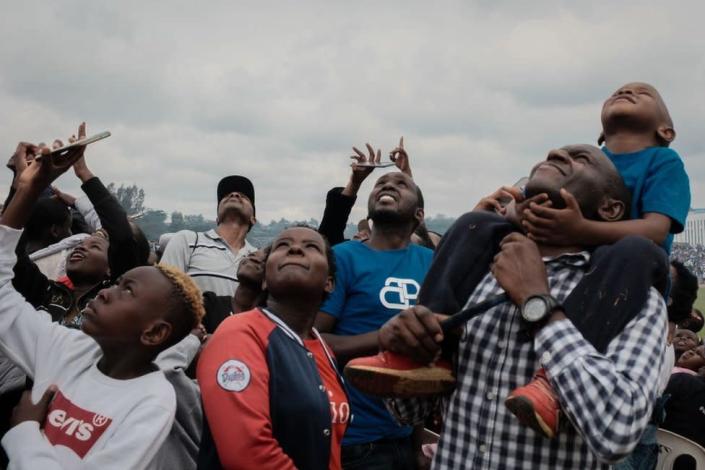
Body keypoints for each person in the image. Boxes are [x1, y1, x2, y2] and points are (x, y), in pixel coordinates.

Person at [370, 145, 668, 468]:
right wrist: (410, 346)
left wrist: (538, 304)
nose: (555, 153)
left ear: (610, 209)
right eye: (553, 153)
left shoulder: (628, 297)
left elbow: (616, 432)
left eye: (581, 159)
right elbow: (407, 413)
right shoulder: (474, 270)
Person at [0, 140, 205, 469]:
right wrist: (27, 188)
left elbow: (122, 236)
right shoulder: (65, 346)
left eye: (127, 290)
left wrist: (24, 431)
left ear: (153, 333)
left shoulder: (151, 403)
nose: (108, 293)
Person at [197, 226, 349, 470]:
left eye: (311, 247)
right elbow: (248, 455)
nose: (296, 248)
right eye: (282, 245)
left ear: (329, 283)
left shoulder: (323, 349)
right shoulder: (239, 333)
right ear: (265, 280)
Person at [315, 161, 433, 470]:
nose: (387, 185)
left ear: (419, 215)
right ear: (368, 210)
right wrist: (381, 339)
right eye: (380, 183)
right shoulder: (342, 257)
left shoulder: (432, 262)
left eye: (401, 184)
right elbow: (312, 342)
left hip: (405, 437)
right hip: (353, 439)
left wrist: (419, 438)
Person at [161, 175, 257, 297]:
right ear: (217, 218)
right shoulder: (188, 241)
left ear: (253, 219)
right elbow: (162, 293)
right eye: (226, 196)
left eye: (243, 196)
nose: (234, 195)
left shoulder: (258, 259)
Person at [318, 138, 411, 246]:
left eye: (367, 233)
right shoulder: (343, 255)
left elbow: (413, 218)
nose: (359, 235)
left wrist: (406, 173)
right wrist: (355, 183)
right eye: (380, 184)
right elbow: (330, 230)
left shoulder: (398, 257)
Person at [200, 246, 270, 333]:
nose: (254, 256)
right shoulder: (209, 304)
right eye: (250, 255)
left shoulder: (269, 325)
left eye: (264, 260)